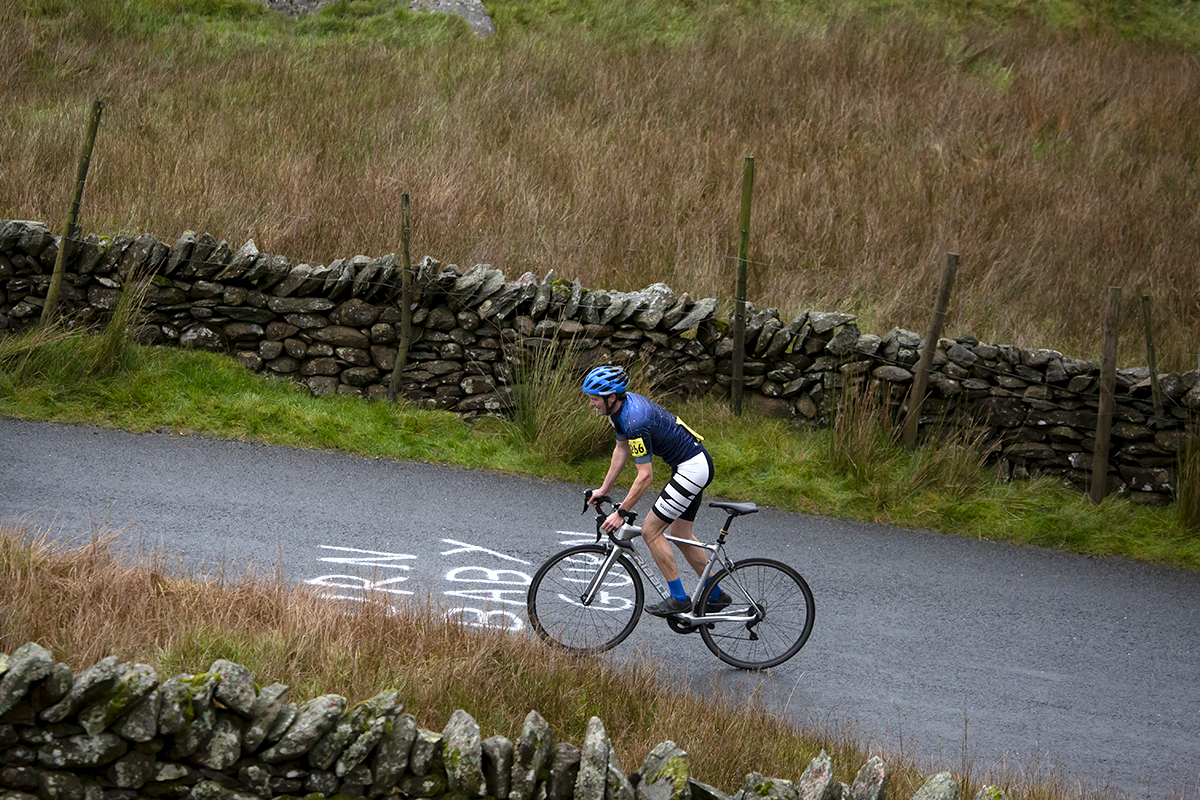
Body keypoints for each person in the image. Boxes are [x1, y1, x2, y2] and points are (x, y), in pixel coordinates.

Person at [581, 364, 731, 616]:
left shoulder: (635, 420)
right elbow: (621, 449)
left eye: (594, 399)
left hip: (692, 468)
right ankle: (715, 594)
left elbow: (645, 476)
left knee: (651, 530)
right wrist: (604, 488)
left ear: (611, 397)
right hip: (694, 464)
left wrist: (621, 512)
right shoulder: (620, 412)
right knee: (680, 532)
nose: (591, 404)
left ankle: (679, 598)